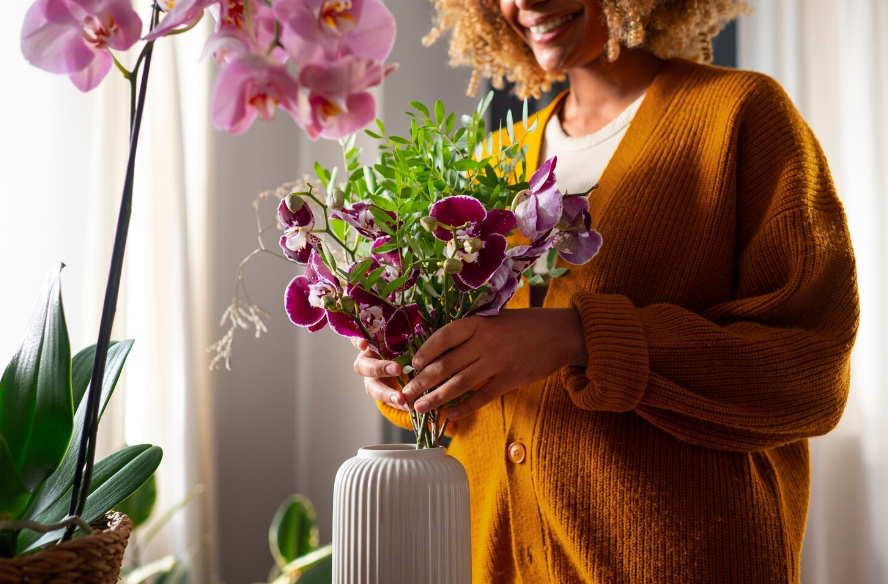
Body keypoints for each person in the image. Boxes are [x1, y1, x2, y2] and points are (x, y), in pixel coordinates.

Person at [351, 0, 860, 582]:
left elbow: (811, 374)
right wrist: (404, 369)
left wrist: (580, 338)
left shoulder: (740, 117)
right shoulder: (488, 164)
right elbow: (468, 402)